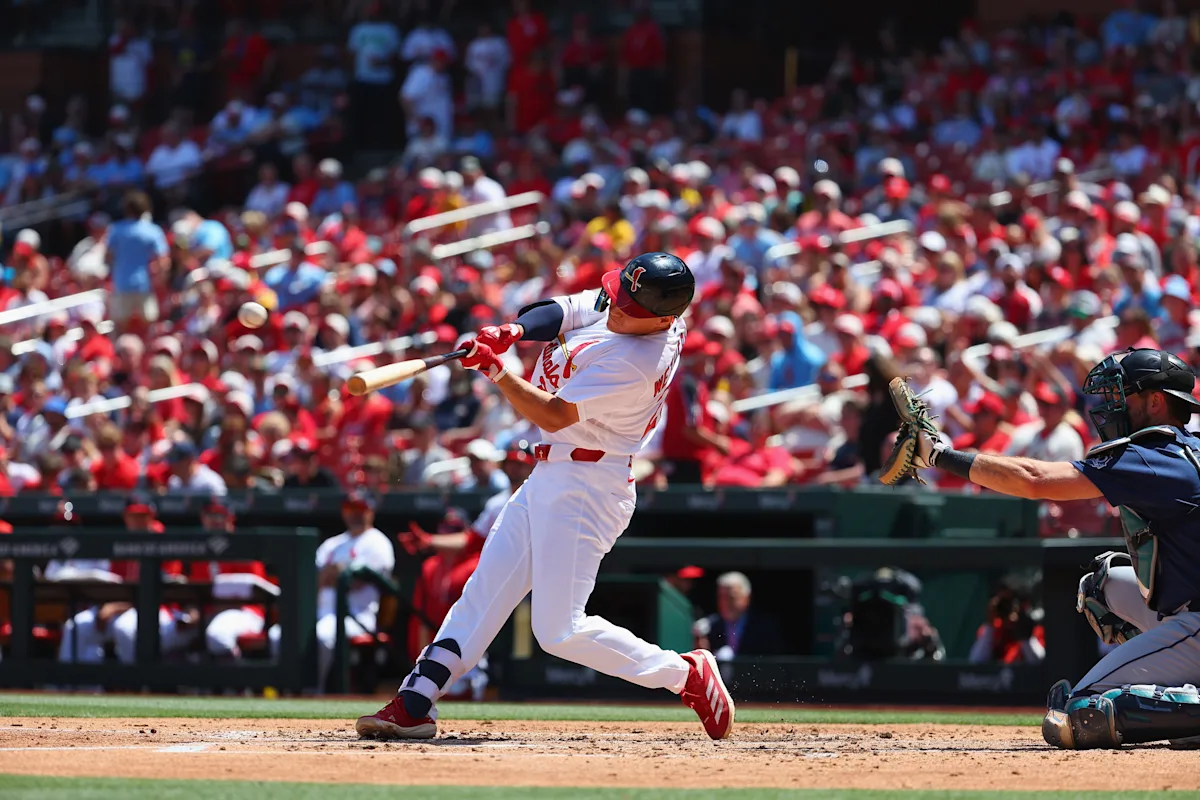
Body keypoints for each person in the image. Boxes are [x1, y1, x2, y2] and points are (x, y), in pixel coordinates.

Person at [356, 253, 735, 741]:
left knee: (559, 631)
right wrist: (513, 331)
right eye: (620, 296)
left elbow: (553, 414)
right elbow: (565, 310)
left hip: (589, 485)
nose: (615, 308)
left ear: (664, 319)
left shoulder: (639, 361)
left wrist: (496, 371)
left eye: (629, 307)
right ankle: (415, 701)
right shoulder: (633, 306)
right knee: (483, 591)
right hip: (552, 472)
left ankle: (685, 674)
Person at [885, 348, 1200, 749]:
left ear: (1156, 401)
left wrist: (937, 454)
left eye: (1125, 395)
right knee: (1102, 585)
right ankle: (1177, 680)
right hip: (1187, 609)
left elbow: (1034, 479)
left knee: (1080, 714)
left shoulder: (1152, 456)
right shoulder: (1186, 449)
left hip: (1196, 621)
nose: (1114, 405)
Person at [310, 490, 395, 691]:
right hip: (321, 614)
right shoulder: (332, 544)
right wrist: (336, 572)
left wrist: (332, 574)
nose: (355, 514)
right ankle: (286, 691)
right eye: (350, 509)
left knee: (322, 637)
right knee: (278, 635)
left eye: (361, 508)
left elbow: (355, 581)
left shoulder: (378, 543)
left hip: (356, 617)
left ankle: (313, 691)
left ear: (371, 511)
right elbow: (313, 579)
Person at [106, 190, 168, 330]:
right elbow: (163, 261)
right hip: (144, 285)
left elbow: (108, 257)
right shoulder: (153, 230)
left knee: (120, 327)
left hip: (121, 284)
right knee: (150, 325)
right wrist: (160, 281)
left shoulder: (116, 230)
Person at [693, 572, 783, 659]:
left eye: (731, 597)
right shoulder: (708, 626)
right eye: (722, 597)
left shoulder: (765, 627)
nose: (725, 603)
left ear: (747, 597)